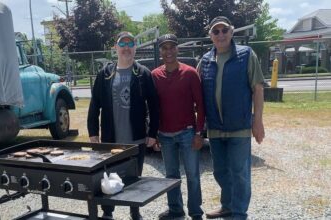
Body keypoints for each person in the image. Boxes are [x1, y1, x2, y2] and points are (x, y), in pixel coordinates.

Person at [87, 31, 159, 220]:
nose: (126, 47)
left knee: (135, 178)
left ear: (135, 48)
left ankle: (135, 212)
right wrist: (93, 132)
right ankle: (108, 213)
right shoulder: (105, 74)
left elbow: (154, 105)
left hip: (136, 139)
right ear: (115, 48)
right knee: (107, 177)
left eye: (130, 43)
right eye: (122, 43)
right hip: (111, 139)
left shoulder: (143, 73)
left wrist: (152, 133)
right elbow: (95, 104)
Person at [198, 16, 265, 220]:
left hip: (239, 127)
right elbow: (196, 94)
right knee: (220, 172)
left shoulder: (246, 55)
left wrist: (258, 121)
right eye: (216, 31)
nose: (220, 35)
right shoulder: (205, 60)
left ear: (232, 31)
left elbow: (258, 88)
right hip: (215, 128)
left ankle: (239, 213)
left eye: (224, 30)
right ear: (210, 36)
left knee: (240, 173)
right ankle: (227, 206)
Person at [151, 34, 205, 220]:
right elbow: (153, 107)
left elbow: (201, 105)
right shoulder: (155, 75)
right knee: (171, 176)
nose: (168, 51)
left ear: (178, 49)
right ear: (160, 51)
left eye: (172, 47)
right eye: (164, 48)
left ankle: (196, 212)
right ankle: (175, 210)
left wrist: (199, 133)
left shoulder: (190, 73)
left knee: (192, 175)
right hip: (165, 135)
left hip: (187, 132)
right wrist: (155, 132)